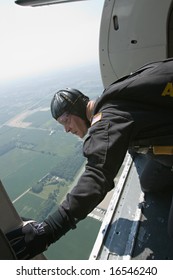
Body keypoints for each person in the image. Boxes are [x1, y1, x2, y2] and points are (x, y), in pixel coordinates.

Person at [6, 58, 173, 259]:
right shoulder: (114, 99)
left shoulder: (107, 119)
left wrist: (49, 230)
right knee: (148, 183)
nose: (66, 129)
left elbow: (97, 176)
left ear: (77, 109)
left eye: (65, 121)